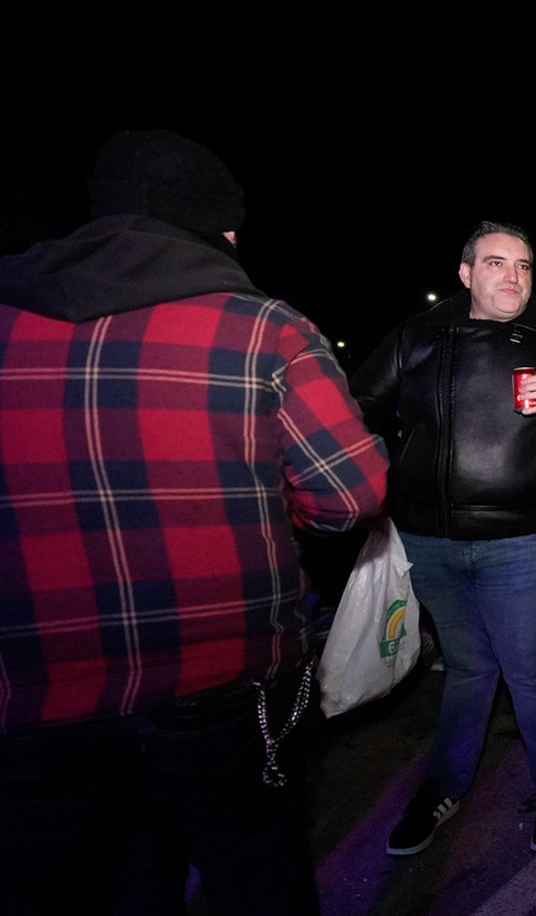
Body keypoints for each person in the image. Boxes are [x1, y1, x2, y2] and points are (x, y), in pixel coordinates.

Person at [0, 130, 388, 914]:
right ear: (225, 230)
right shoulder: (263, 329)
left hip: (39, 696)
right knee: (254, 874)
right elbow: (349, 493)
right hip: (221, 682)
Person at [352, 221, 536, 857]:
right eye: (497, 263)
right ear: (465, 273)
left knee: (527, 664)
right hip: (431, 539)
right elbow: (356, 404)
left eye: (525, 265)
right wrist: (386, 467)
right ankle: (444, 785)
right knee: (467, 666)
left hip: (522, 539)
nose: (514, 277)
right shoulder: (420, 334)